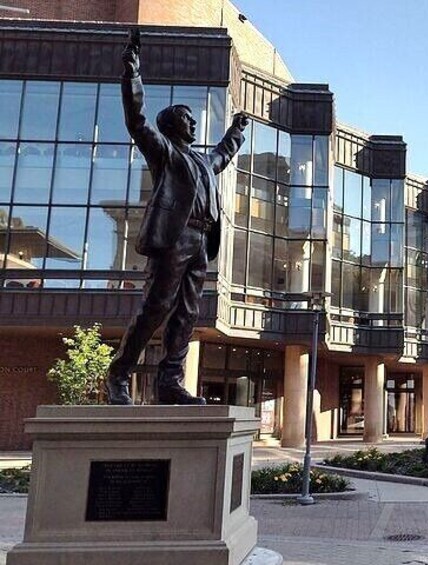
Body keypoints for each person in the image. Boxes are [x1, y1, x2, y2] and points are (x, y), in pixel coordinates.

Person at [106, 29, 250, 405]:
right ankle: (119, 374)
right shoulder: (165, 153)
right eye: (188, 118)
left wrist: (235, 131)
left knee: (186, 314)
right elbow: (136, 120)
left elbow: (222, 154)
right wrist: (132, 72)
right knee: (156, 307)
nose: (194, 123)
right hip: (175, 237)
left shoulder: (202, 161)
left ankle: (170, 382)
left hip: (202, 241)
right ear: (171, 126)